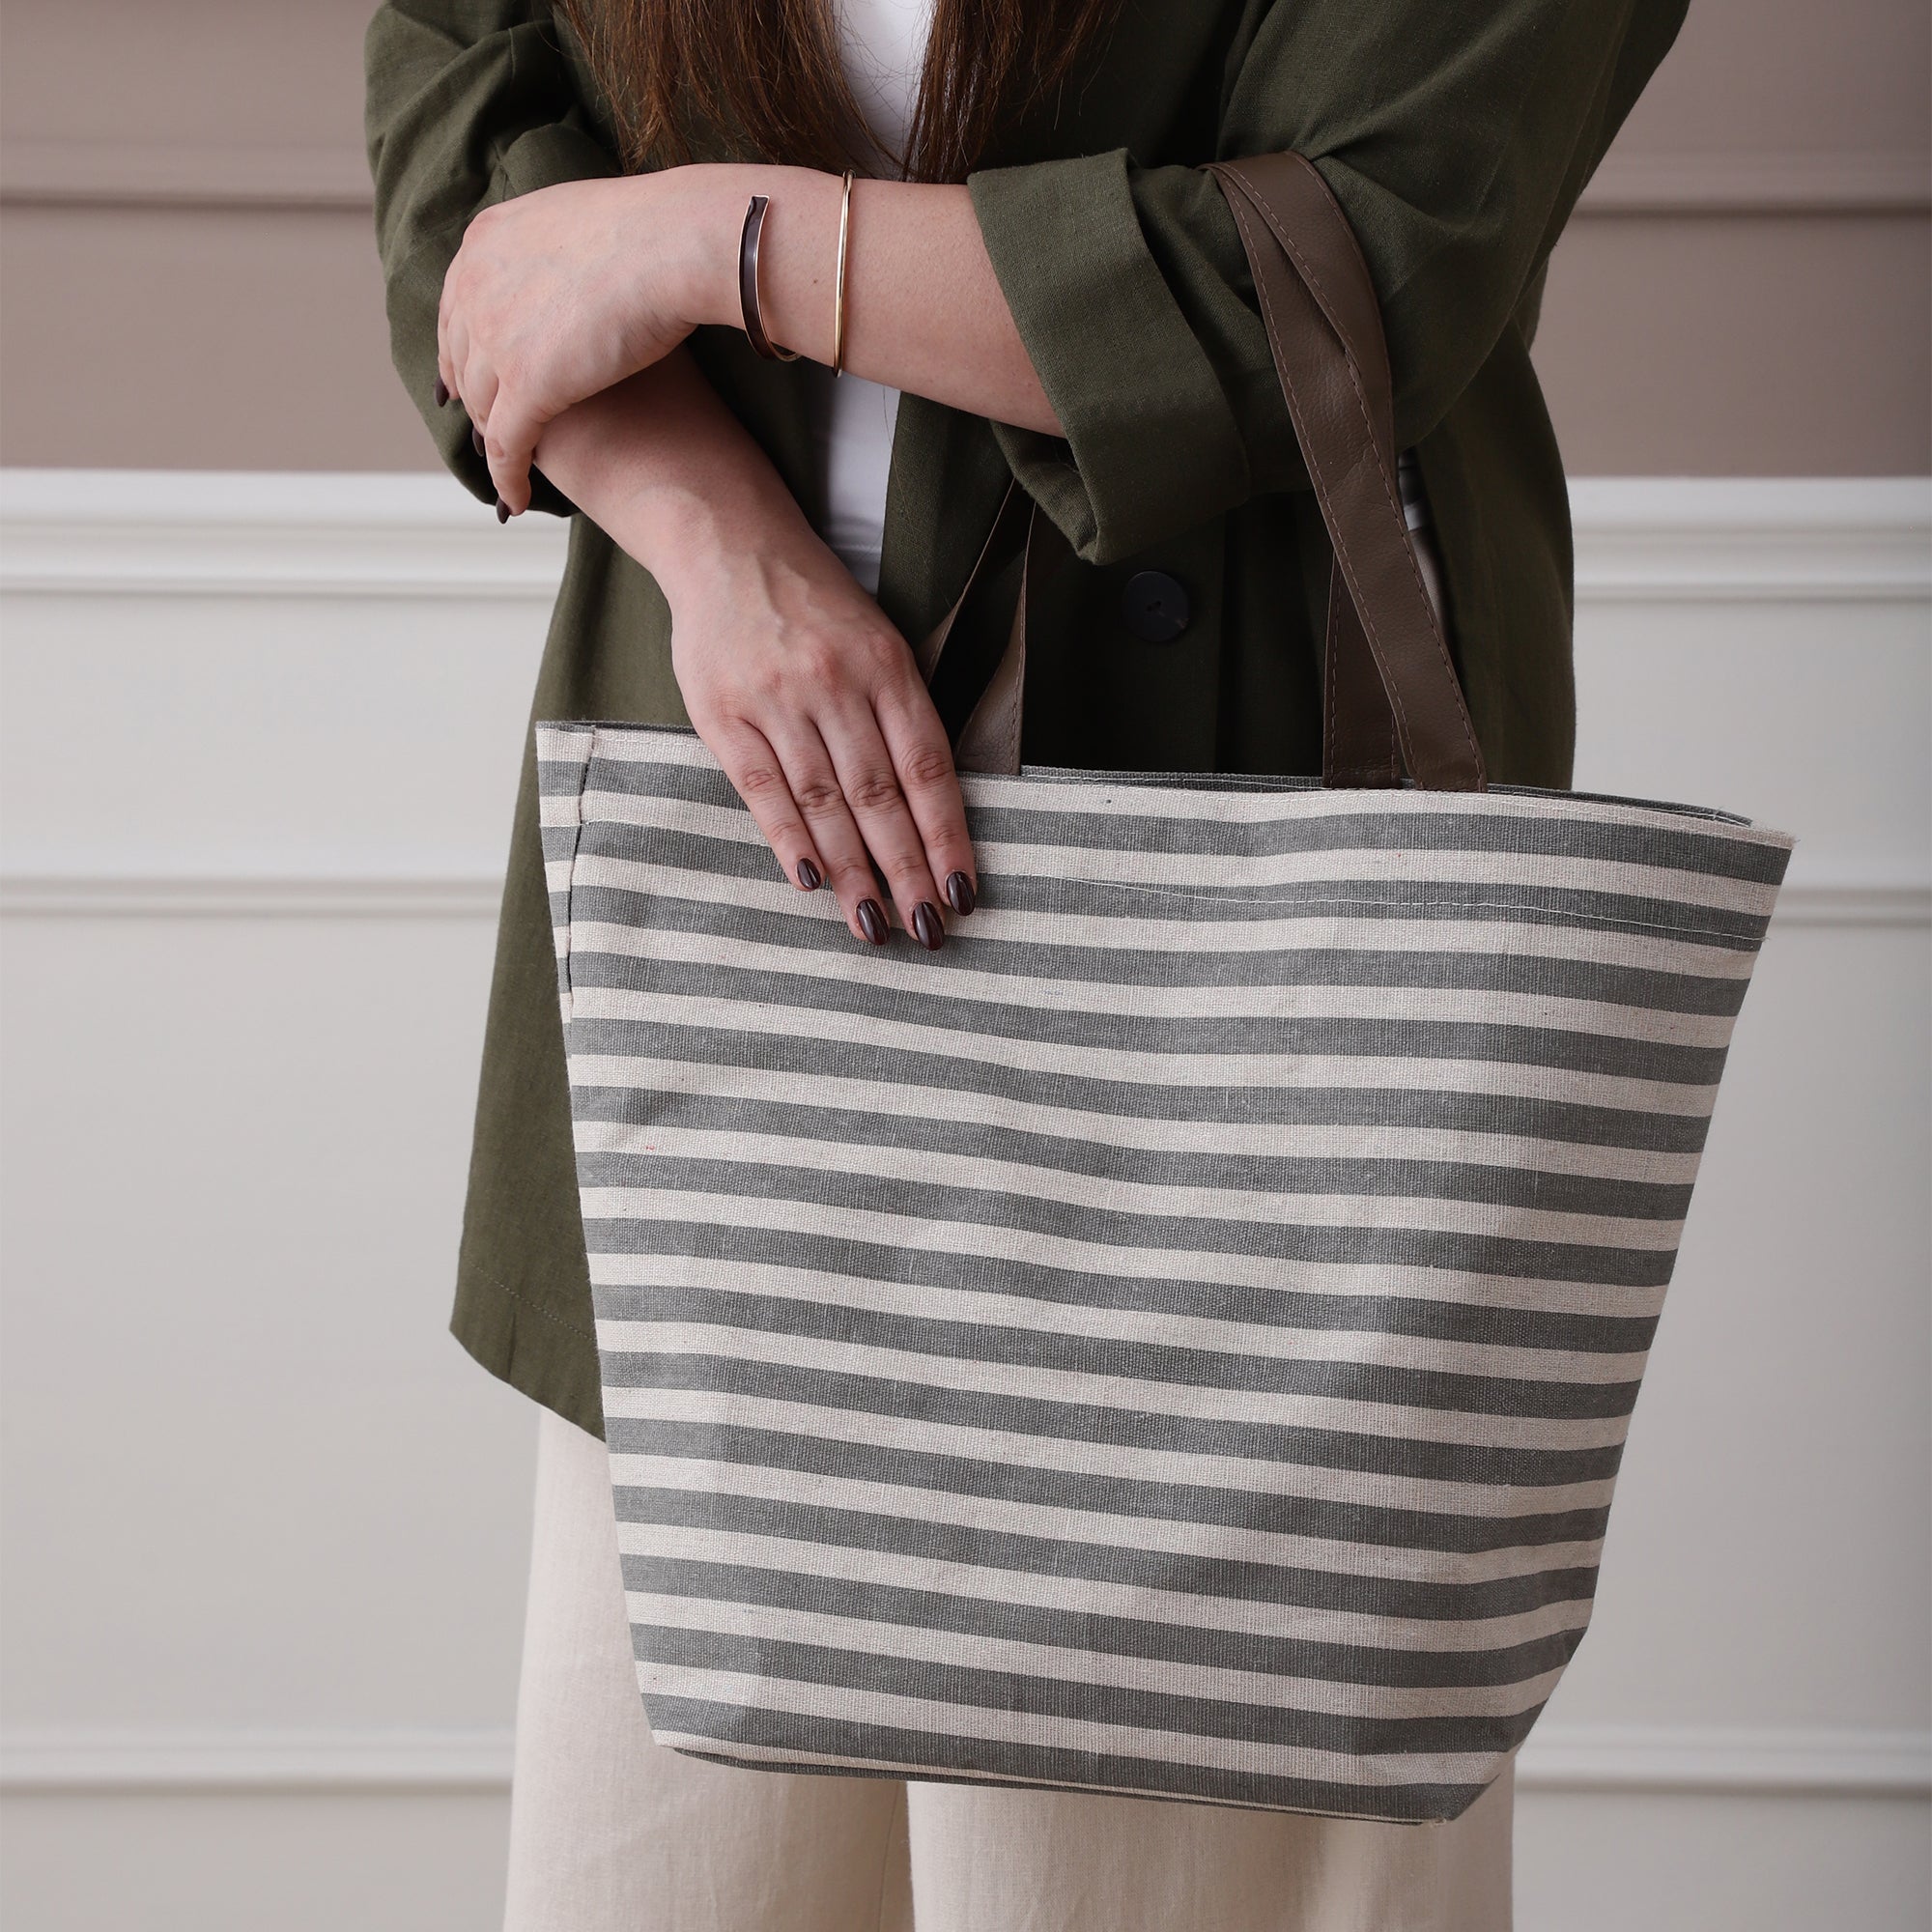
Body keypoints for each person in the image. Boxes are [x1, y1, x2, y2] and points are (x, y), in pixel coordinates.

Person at [364, 1, 1687, 1923]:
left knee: (1163, 1856)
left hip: (1231, 834)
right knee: (682, 1852)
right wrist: (722, 545)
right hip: (736, 806)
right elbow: (471, 135)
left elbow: (1356, 259)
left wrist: (714, 240)